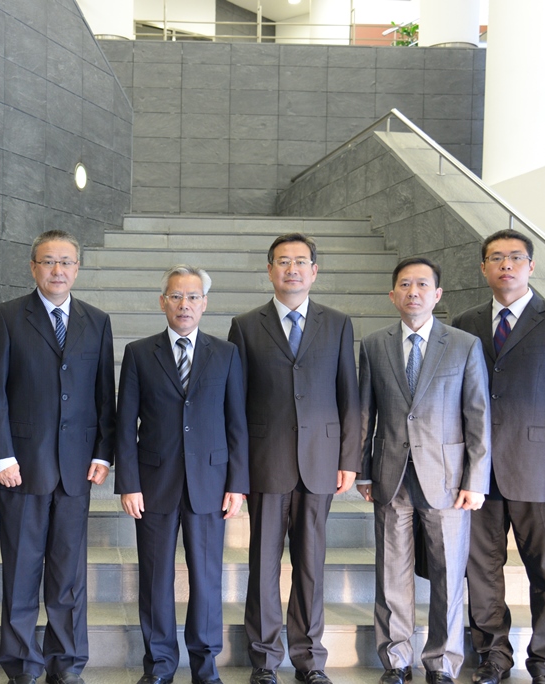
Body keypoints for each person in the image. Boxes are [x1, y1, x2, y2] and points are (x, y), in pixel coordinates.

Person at [453, 230, 545, 684]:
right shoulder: (464, 323)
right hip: (478, 472)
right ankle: (493, 658)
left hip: (539, 469)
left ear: (531, 266)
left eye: (516, 257)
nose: (506, 265)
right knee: (481, 571)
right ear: (483, 268)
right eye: (496, 257)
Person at [0, 229, 116, 684]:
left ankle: (66, 662)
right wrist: (1, 455)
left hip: (77, 468)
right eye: (49, 261)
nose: (58, 270)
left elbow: (104, 394)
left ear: (78, 268)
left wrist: (104, 453)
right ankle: (22, 664)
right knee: (21, 570)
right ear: (33, 267)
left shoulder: (97, 321)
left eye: (66, 262)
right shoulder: (6, 316)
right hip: (21, 466)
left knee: (68, 574)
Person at [227, 233, 361, 684]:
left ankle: (309, 660)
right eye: (283, 261)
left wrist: (349, 457)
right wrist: (238, 469)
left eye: (301, 261)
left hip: (321, 461)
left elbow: (350, 395)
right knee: (262, 565)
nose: (292, 269)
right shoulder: (246, 326)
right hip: (266, 462)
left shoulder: (337, 324)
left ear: (314, 271)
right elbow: (236, 405)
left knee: (311, 565)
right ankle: (264, 660)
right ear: (269, 270)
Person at [356, 257, 490, 684]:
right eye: (404, 285)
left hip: (448, 478)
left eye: (422, 285)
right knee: (391, 572)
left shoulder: (464, 344)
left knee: (448, 574)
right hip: (390, 473)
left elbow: (478, 415)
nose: (412, 292)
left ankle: (442, 663)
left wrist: (476, 479)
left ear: (437, 294)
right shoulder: (374, 345)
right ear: (392, 294)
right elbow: (364, 413)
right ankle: (396, 661)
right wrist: (362, 470)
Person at [115, 265, 249, 684]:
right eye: (176, 296)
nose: (184, 304)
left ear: (204, 304)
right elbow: (125, 424)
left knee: (207, 579)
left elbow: (237, 423)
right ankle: (159, 665)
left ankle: (205, 666)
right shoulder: (139, 353)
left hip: (210, 483)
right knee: (155, 578)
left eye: (192, 297)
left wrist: (237, 483)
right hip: (154, 484)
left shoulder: (226, 354)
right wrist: (129, 483)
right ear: (162, 302)